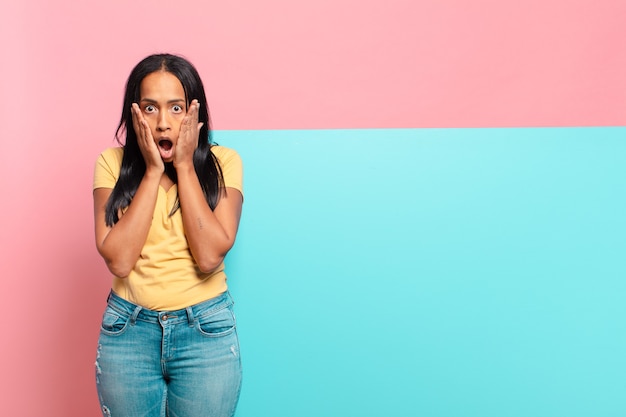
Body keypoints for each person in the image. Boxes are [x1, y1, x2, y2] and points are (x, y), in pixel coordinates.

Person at [92, 53, 243, 417]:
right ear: (134, 113)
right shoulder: (110, 165)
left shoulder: (224, 164)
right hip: (128, 332)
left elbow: (209, 257)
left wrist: (185, 166)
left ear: (195, 113)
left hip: (205, 332)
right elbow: (120, 259)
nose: (162, 123)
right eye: (150, 108)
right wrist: (151, 172)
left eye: (176, 109)